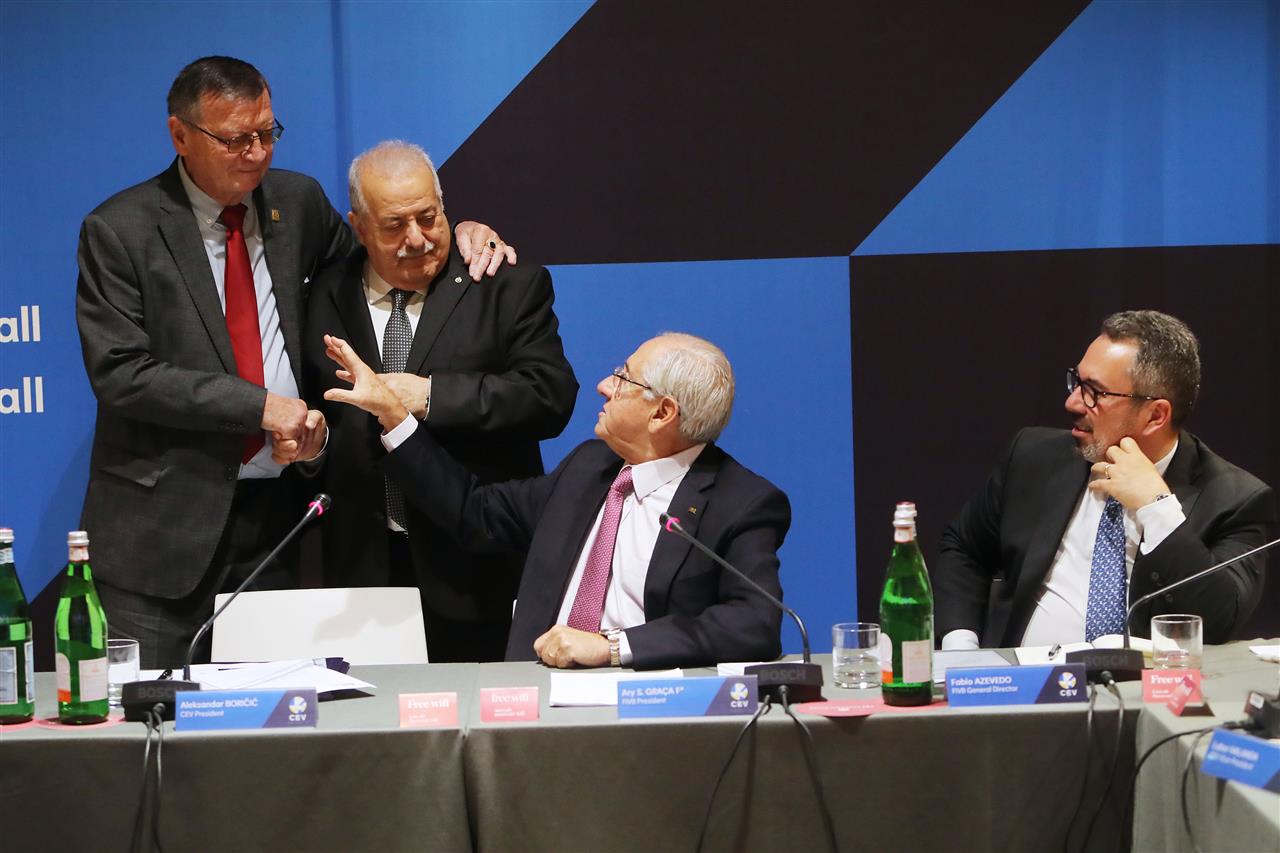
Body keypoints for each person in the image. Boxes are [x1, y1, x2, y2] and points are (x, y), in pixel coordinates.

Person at [75, 56, 510, 667]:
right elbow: (121, 372)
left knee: (267, 714)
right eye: (235, 139)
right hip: (162, 531)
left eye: (267, 132)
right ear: (180, 135)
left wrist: (461, 234)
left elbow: (383, 259)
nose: (256, 153)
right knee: (150, 714)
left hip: (277, 523)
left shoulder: (296, 202)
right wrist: (262, 408)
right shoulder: (121, 229)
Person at [320, 331, 790, 669]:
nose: (605, 386)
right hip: (534, 698)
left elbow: (754, 623)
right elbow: (476, 512)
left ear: (662, 413)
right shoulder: (590, 467)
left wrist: (612, 647)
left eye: (624, 379)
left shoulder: (741, 503)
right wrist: (393, 416)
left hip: (647, 709)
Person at [303, 141, 578, 662]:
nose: (417, 239)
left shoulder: (503, 283)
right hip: (361, 573)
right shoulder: (322, 293)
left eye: (428, 217)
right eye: (393, 226)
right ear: (358, 226)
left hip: (476, 568)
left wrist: (429, 396)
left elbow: (550, 396)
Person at [936, 310, 1276, 649]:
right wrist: (960, 648)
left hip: (1144, 681)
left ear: (1155, 415)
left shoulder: (1235, 501)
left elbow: (1217, 621)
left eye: (1094, 392)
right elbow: (964, 548)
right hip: (1024, 676)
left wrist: (1157, 508)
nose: (1072, 402)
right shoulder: (1033, 456)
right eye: (1077, 382)